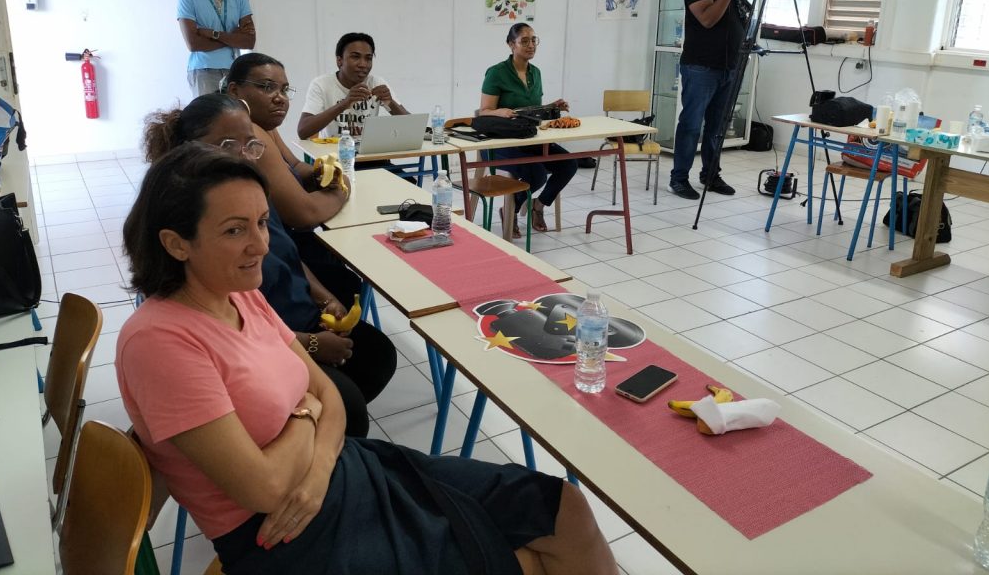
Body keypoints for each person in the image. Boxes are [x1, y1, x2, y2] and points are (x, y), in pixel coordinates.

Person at [117, 143, 618, 575]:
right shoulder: (160, 343)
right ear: (176, 243)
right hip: (289, 537)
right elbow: (266, 489)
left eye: (263, 223)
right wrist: (307, 415)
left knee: (564, 507)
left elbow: (330, 396)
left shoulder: (239, 294)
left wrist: (315, 462)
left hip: (339, 474)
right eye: (234, 231)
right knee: (523, 560)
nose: (260, 245)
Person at [142, 94, 396, 437]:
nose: (244, 156)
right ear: (189, 147)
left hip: (290, 321)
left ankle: (315, 430)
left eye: (251, 145)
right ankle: (303, 430)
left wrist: (323, 298)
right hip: (263, 340)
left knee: (376, 357)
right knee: (347, 407)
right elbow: (235, 328)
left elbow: (286, 253)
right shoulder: (195, 222)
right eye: (228, 145)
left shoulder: (248, 191)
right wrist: (312, 345)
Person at [224, 53, 365, 299]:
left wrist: (323, 173)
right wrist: (342, 187)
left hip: (282, 242)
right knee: (346, 280)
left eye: (284, 89)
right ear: (235, 91)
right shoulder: (250, 134)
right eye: (267, 87)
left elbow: (297, 166)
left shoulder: (265, 125)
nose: (280, 98)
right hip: (272, 254)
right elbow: (304, 214)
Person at [667, 0, 749, 200]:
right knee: (692, 125)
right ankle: (679, 179)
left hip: (729, 66)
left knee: (717, 126)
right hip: (701, 67)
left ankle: (711, 175)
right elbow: (708, 19)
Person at [479, 23, 576, 236]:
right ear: (511, 44)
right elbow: (483, 112)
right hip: (499, 143)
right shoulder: (496, 73)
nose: (531, 45)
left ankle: (538, 206)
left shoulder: (536, 73)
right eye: (524, 41)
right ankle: (510, 210)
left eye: (533, 40)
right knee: (537, 174)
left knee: (569, 164)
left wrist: (551, 107)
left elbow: (532, 112)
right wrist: (501, 112)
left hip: (529, 138)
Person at [296, 32, 408, 139]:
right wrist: (344, 103)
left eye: (368, 58)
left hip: (368, 150)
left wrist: (390, 102)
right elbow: (302, 131)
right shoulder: (322, 84)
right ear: (339, 61)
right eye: (355, 57)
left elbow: (412, 125)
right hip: (333, 150)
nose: (363, 64)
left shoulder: (376, 83)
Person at [177, 0, 256, 96]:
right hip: (203, 70)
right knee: (208, 111)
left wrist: (213, 34)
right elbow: (193, 44)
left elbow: (249, 41)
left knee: (233, 110)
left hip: (233, 70)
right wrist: (233, 37)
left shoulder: (240, 0)